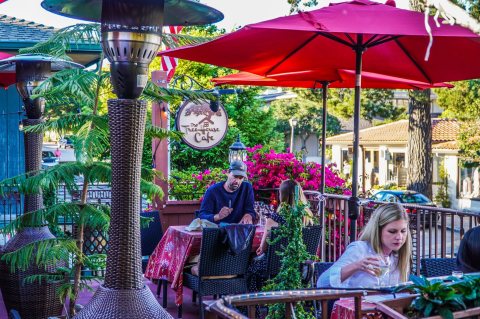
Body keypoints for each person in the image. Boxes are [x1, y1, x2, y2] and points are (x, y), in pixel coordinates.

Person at [317, 203, 411, 288]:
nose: (399, 237)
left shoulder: (398, 259)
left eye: (403, 231)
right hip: (356, 306)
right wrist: (356, 266)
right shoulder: (359, 250)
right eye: (392, 231)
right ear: (377, 230)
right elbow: (322, 283)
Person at [247, 179, 314, 292]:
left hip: (276, 267)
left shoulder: (274, 219)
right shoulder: (307, 217)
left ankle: (253, 306)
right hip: (300, 266)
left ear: (282, 195)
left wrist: (260, 249)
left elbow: (262, 249)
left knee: (251, 269)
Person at [197, 160, 255, 224]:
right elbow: (201, 216)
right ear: (228, 173)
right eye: (235, 176)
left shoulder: (247, 188)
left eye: (241, 178)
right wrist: (218, 216)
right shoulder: (213, 191)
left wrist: (249, 215)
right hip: (217, 231)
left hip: (239, 231)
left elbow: (250, 210)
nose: (237, 181)